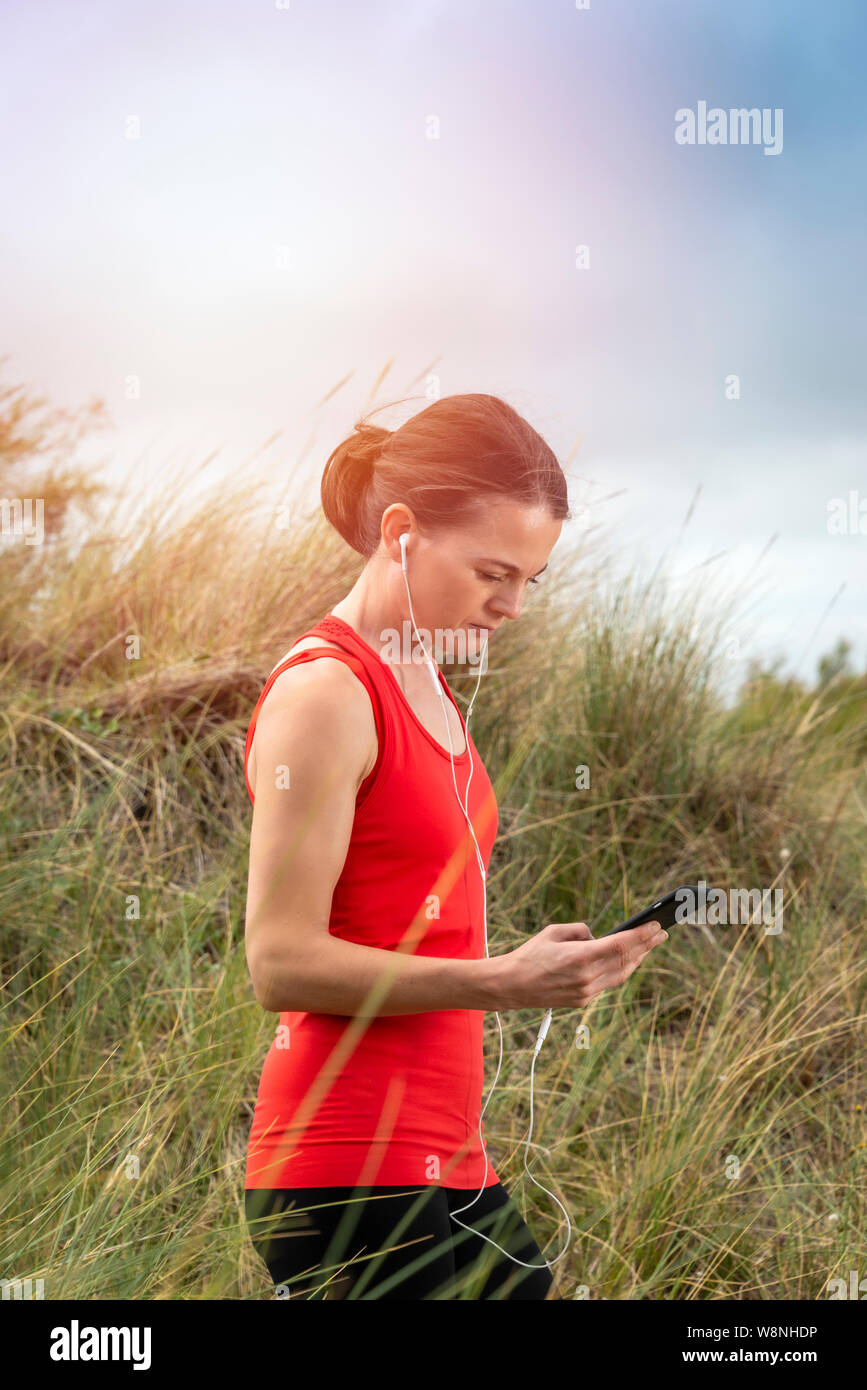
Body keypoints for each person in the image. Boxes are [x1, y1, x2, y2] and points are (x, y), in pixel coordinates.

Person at [241, 393, 668, 1300]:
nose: (512, 606)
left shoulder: (428, 683)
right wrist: (497, 982)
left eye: (531, 581)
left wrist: (526, 964)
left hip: (446, 1154)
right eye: (491, 572)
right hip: (349, 1165)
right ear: (399, 531)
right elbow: (278, 961)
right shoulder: (329, 693)